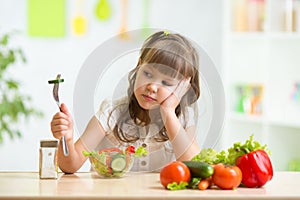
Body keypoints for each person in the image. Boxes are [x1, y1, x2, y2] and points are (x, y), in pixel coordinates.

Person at [50, 31, 201, 173]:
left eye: (166, 83)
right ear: (139, 66)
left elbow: (195, 167)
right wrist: (67, 139)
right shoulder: (111, 112)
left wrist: (168, 112)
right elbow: (70, 165)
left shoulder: (183, 118)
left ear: (183, 87)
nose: (152, 87)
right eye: (147, 74)